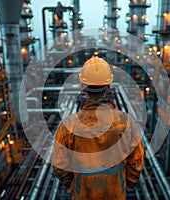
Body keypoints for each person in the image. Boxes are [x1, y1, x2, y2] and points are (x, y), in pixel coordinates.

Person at [52, 56, 144, 200]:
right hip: (115, 195)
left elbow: (59, 166)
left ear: (82, 88)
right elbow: (136, 162)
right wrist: (126, 185)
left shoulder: (68, 127)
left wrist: (75, 187)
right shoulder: (126, 123)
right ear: (108, 87)